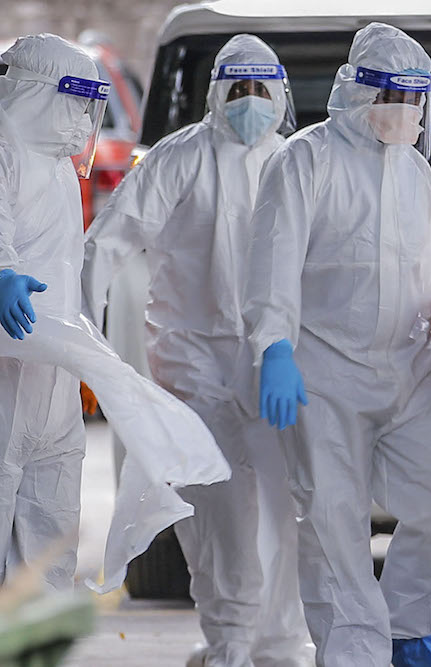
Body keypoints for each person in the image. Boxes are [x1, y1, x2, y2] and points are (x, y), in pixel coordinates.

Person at [242, 22, 431, 667]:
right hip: (323, 369)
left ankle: (406, 632)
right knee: (332, 524)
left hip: (409, 369)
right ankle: (352, 654)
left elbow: (427, 270)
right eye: (391, 96)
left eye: (413, 99)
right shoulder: (304, 159)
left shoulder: (417, 170)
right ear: (357, 91)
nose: (403, 113)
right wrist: (275, 348)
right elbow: (272, 262)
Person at [81, 35, 311, 667]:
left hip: (274, 364)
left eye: (262, 90)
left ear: (281, 96)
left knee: (287, 512)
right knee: (220, 515)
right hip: (195, 367)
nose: (250, 102)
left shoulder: (297, 161)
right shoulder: (179, 159)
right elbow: (109, 243)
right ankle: (231, 641)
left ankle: (280, 646)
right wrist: (83, 337)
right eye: (237, 89)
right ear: (215, 95)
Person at [0, 33, 107, 590]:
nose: (85, 119)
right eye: (76, 101)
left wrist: (81, 353)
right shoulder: (3, 149)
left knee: (51, 542)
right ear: (37, 93)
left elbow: (68, 265)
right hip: (5, 369)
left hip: (53, 377)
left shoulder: (62, 169)